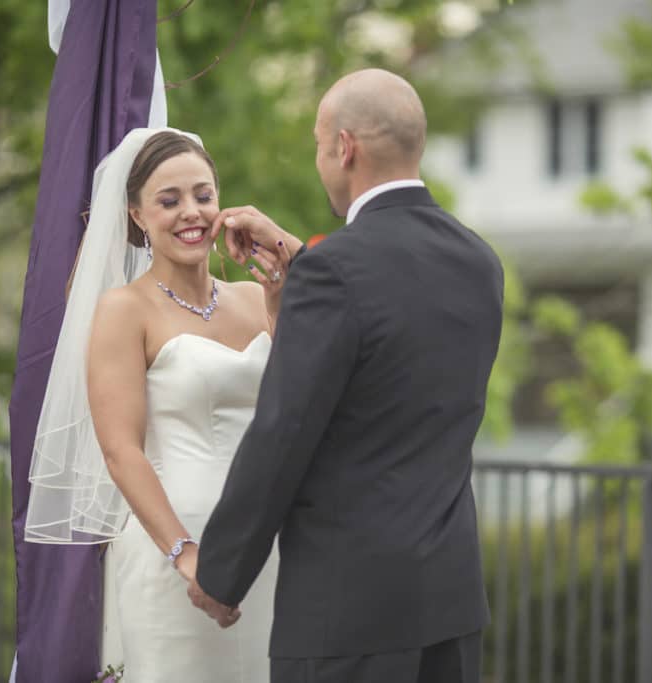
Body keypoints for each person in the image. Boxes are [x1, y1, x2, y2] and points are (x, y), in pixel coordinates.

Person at [188, 68, 503, 683]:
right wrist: (301, 263)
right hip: (450, 603)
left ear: (344, 146)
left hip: (349, 613)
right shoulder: (478, 261)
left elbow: (284, 431)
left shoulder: (335, 274)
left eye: (316, 142)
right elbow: (395, 325)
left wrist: (222, 573)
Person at [24, 128, 288, 682]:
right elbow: (121, 452)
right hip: (177, 549)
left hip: (270, 546)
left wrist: (283, 300)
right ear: (138, 215)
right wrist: (185, 554)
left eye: (203, 195)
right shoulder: (124, 310)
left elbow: (295, 406)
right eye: (169, 201)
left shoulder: (254, 297)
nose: (190, 212)